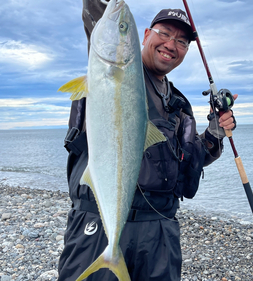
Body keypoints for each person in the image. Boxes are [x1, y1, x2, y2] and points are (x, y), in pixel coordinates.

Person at [58, 1, 237, 280]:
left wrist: (215, 132)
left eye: (181, 41)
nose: (171, 44)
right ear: (144, 36)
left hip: (160, 231)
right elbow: (98, 13)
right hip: (98, 223)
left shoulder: (178, 104)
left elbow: (188, 162)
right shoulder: (114, 69)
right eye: (164, 33)